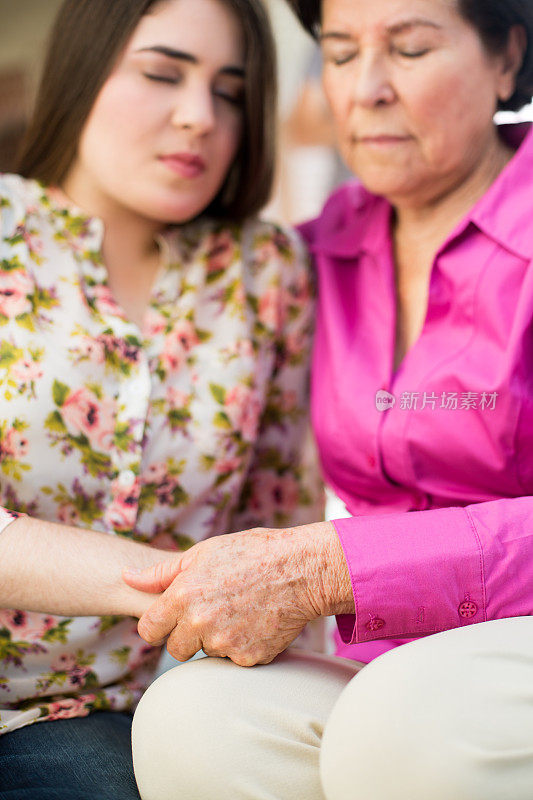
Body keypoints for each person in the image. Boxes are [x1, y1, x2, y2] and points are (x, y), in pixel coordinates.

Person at [126, 0, 533, 798]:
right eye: (341, 54)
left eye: (410, 49)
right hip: (399, 651)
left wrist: (330, 569)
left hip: (477, 648)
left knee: (405, 723)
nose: (365, 89)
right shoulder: (316, 251)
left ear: (506, 59)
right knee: (198, 717)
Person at [0, 0, 322, 797]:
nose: (197, 118)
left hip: (157, 711)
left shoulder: (263, 272)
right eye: (161, 73)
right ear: (85, 70)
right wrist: (205, 583)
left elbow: (279, 510)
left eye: (229, 93)